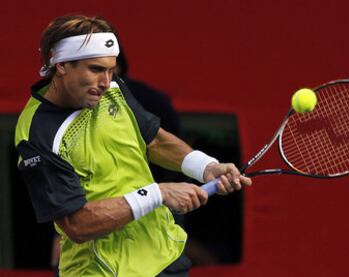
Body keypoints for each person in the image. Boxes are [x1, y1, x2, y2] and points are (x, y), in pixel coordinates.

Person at [14, 15, 251, 277]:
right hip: (102, 271)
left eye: (110, 70)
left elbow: (154, 140)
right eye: (95, 69)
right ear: (59, 64)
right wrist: (158, 194)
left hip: (164, 260)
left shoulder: (112, 89)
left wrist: (206, 166)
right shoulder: (37, 134)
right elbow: (76, 224)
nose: (105, 82)